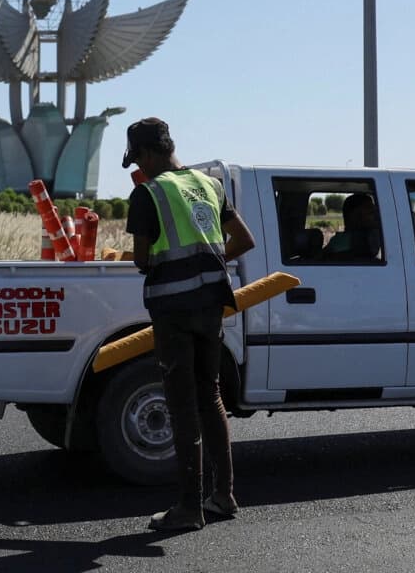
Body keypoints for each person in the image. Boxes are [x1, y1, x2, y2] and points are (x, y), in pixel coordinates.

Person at [122, 117, 256, 532]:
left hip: (174, 311)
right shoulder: (209, 185)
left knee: (181, 407)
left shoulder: (148, 194)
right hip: (211, 307)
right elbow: (244, 240)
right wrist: (209, 261)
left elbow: (143, 259)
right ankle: (224, 495)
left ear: (144, 155)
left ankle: (188, 507)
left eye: (137, 159)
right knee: (210, 397)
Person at [322, 192, 381, 260]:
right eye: (370, 212)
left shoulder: (371, 236)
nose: (376, 216)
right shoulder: (341, 241)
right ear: (355, 216)